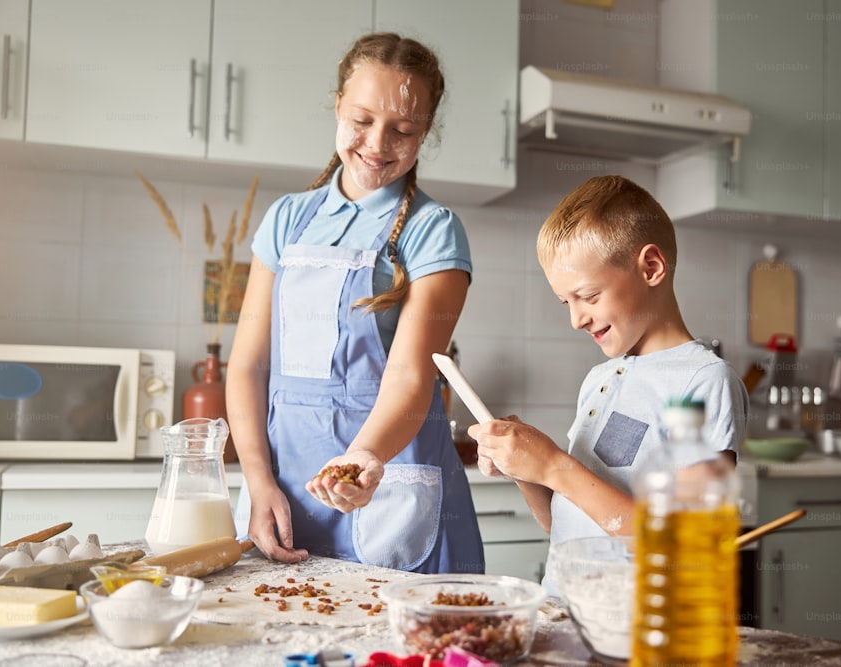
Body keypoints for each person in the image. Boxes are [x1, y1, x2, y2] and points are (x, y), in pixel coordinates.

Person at [226, 32, 484, 574]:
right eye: (362, 120)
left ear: (425, 134)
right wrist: (257, 479)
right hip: (291, 492)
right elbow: (249, 364)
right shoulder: (287, 219)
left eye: (403, 130)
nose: (378, 142)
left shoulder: (432, 230)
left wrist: (364, 458)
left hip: (389, 483)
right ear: (337, 104)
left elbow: (415, 378)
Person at [468, 175, 748, 591]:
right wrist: (526, 470)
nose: (575, 319)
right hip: (567, 616)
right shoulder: (599, 379)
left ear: (651, 268)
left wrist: (553, 464)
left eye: (589, 296)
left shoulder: (701, 382)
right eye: (567, 302)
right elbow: (567, 529)